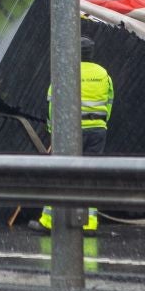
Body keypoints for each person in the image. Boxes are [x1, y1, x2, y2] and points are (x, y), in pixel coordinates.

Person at [36, 36, 114, 233]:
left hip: (71, 131)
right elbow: (109, 102)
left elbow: (53, 103)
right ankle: (89, 223)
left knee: (60, 173)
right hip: (97, 131)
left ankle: (48, 220)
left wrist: (53, 130)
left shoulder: (65, 71)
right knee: (90, 175)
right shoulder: (103, 73)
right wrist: (101, 124)